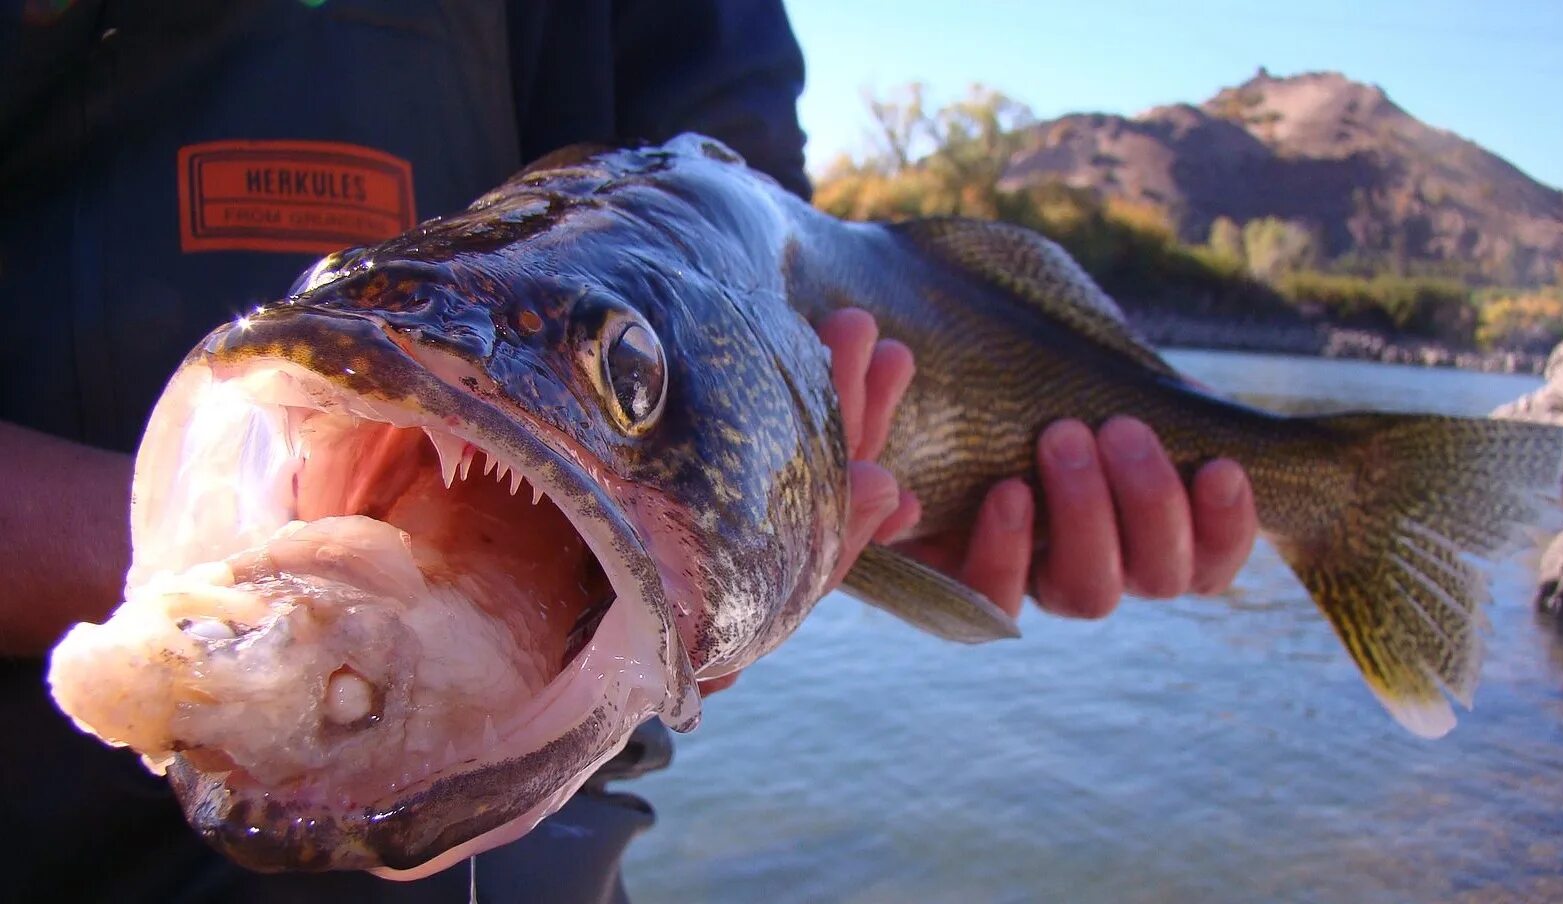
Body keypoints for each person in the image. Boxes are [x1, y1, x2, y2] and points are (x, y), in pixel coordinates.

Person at [0, 2, 1257, 901]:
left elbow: (737, 201)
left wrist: (791, 537)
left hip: (539, 852)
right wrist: (202, 579)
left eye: (628, 374)